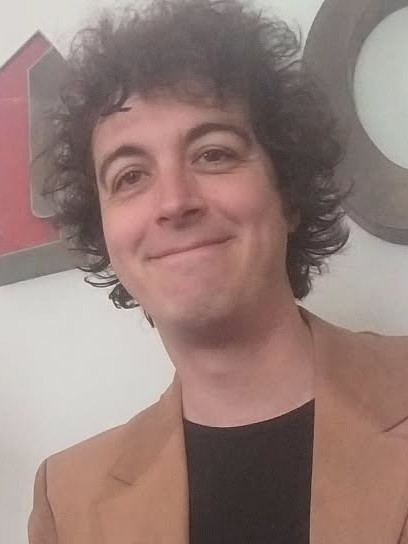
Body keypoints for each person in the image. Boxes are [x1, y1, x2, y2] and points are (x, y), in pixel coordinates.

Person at [28, 0, 408, 542]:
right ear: (105, 231)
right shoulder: (67, 501)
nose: (173, 202)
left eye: (213, 154)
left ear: (287, 193)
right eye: (130, 175)